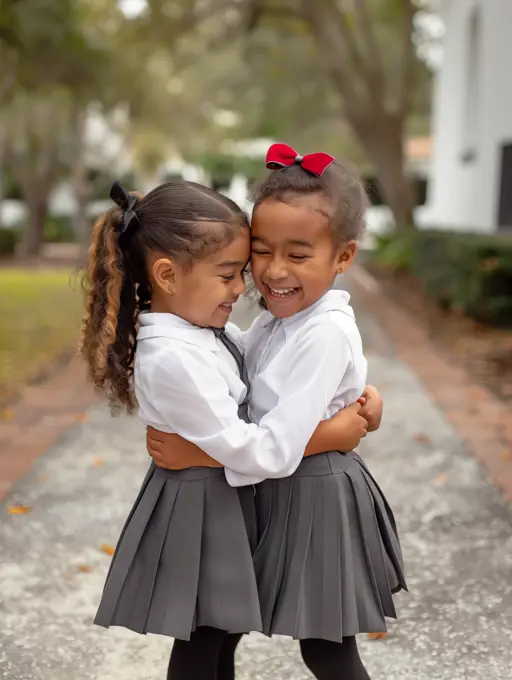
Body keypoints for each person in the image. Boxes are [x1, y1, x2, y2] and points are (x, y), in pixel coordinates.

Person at [80, 179, 371, 680]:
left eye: (240, 271)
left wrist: (358, 392)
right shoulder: (176, 356)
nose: (242, 287)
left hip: (220, 494)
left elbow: (269, 370)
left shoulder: (201, 332)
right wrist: (334, 433)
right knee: (205, 635)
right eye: (228, 273)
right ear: (168, 275)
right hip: (203, 504)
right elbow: (252, 445)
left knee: (219, 634)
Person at [146, 144, 407, 680]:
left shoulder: (323, 331)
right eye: (261, 251)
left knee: (326, 646)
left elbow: (280, 445)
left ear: (343, 257)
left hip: (313, 491)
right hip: (277, 485)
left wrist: (195, 449)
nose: (273, 270)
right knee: (220, 624)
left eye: (299, 254)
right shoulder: (278, 321)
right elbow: (243, 367)